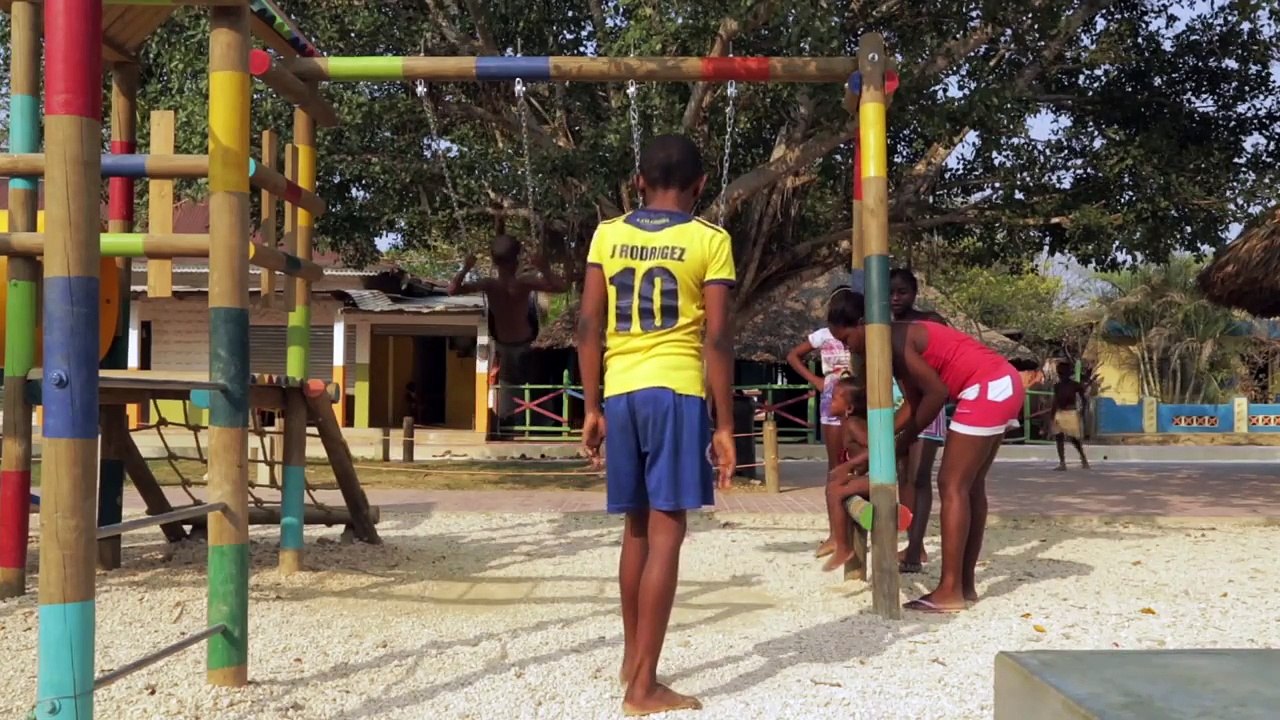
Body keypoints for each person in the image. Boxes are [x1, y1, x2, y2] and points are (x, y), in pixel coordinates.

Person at [577, 134, 736, 716]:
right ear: (700, 186)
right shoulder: (709, 240)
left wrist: (591, 406)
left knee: (636, 532)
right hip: (675, 392)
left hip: (619, 393)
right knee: (668, 532)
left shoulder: (607, 233)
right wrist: (724, 424)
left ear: (639, 182)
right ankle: (643, 688)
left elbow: (588, 327)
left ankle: (632, 658)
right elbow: (716, 337)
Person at [828, 290, 1025, 613]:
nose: (848, 348)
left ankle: (949, 590)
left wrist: (901, 444)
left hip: (985, 387)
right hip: (1003, 382)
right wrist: (880, 446)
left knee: (952, 485)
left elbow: (936, 394)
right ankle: (964, 586)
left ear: (863, 324)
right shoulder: (894, 341)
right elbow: (913, 403)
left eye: (847, 339)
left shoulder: (893, 342)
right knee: (970, 487)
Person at [447, 235, 569, 419]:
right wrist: (544, 268)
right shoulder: (524, 282)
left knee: (509, 385)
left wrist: (466, 267)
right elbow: (562, 287)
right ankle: (535, 419)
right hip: (526, 342)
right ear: (517, 260)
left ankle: (510, 419)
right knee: (532, 386)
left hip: (503, 343)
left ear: (494, 261)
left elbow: (452, 290)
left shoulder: (489, 285)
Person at [785, 286, 857, 558]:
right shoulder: (823, 336)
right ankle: (835, 534)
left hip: (857, 397)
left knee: (857, 461)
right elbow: (794, 355)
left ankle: (854, 529)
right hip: (832, 397)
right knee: (836, 464)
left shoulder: (863, 334)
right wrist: (816, 381)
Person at [888, 268, 949, 573]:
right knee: (902, 476)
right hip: (895, 406)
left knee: (919, 476)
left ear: (914, 293)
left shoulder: (930, 321)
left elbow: (950, 356)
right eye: (890, 292)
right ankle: (912, 542)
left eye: (902, 292)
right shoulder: (882, 326)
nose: (895, 298)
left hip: (927, 404)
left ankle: (915, 548)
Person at [820, 376, 913, 572]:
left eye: (835, 398)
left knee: (835, 490)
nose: (830, 401)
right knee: (833, 482)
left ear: (849, 408)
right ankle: (837, 537)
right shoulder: (847, 423)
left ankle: (842, 544)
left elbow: (877, 447)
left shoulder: (854, 424)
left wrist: (851, 465)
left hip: (875, 478)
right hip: (864, 476)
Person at [1046, 360, 1090, 471]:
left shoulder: (1075, 385)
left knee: (1073, 438)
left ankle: (1083, 458)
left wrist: (1083, 411)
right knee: (1059, 437)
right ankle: (1062, 463)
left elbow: (1084, 399)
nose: (1061, 375)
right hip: (1060, 412)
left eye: (1062, 373)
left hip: (1071, 413)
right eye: (1060, 373)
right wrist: (1052, 415)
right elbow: (1055, 401)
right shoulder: (1057, 386)